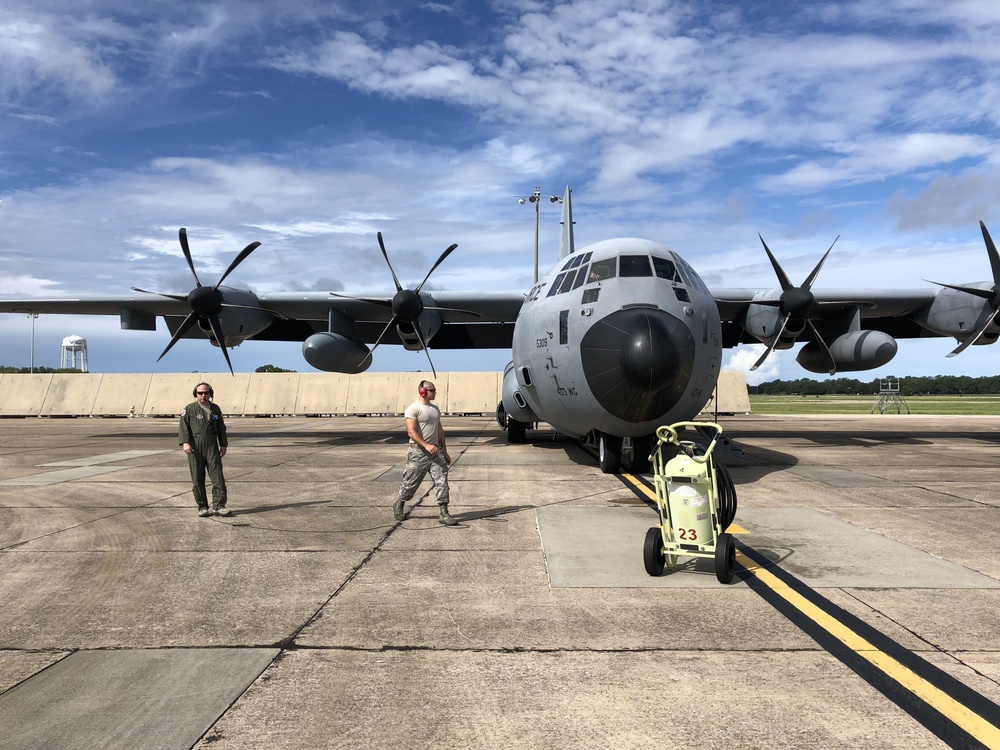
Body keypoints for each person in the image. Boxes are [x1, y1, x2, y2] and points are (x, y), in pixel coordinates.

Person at [395, 380, 457, 526]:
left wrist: (444, 450)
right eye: (432, 390)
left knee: (442, 481)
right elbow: (411, 432)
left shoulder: (435, 409)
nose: (435, 393)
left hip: (436, 452)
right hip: (418, 452)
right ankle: (399, 503)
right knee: (410, 483)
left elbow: (440, 431)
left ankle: (444, 512)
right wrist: (425, 445)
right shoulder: (413, 409)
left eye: (435, 390)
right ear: (423, 391)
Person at [179, 382, 230, 517]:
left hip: (212, 447)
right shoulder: (189, 409)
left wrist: (223, 444)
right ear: (195, 394)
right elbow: (183, 427)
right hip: (195, 448)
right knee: (197, 478)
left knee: (217, 476)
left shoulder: (215, 409)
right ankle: (202, 506)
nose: (203, 395)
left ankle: (219, 505)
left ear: (210, 394)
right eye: (200, 393)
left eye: (206, 393)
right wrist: (185, 443)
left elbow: (221, 428)